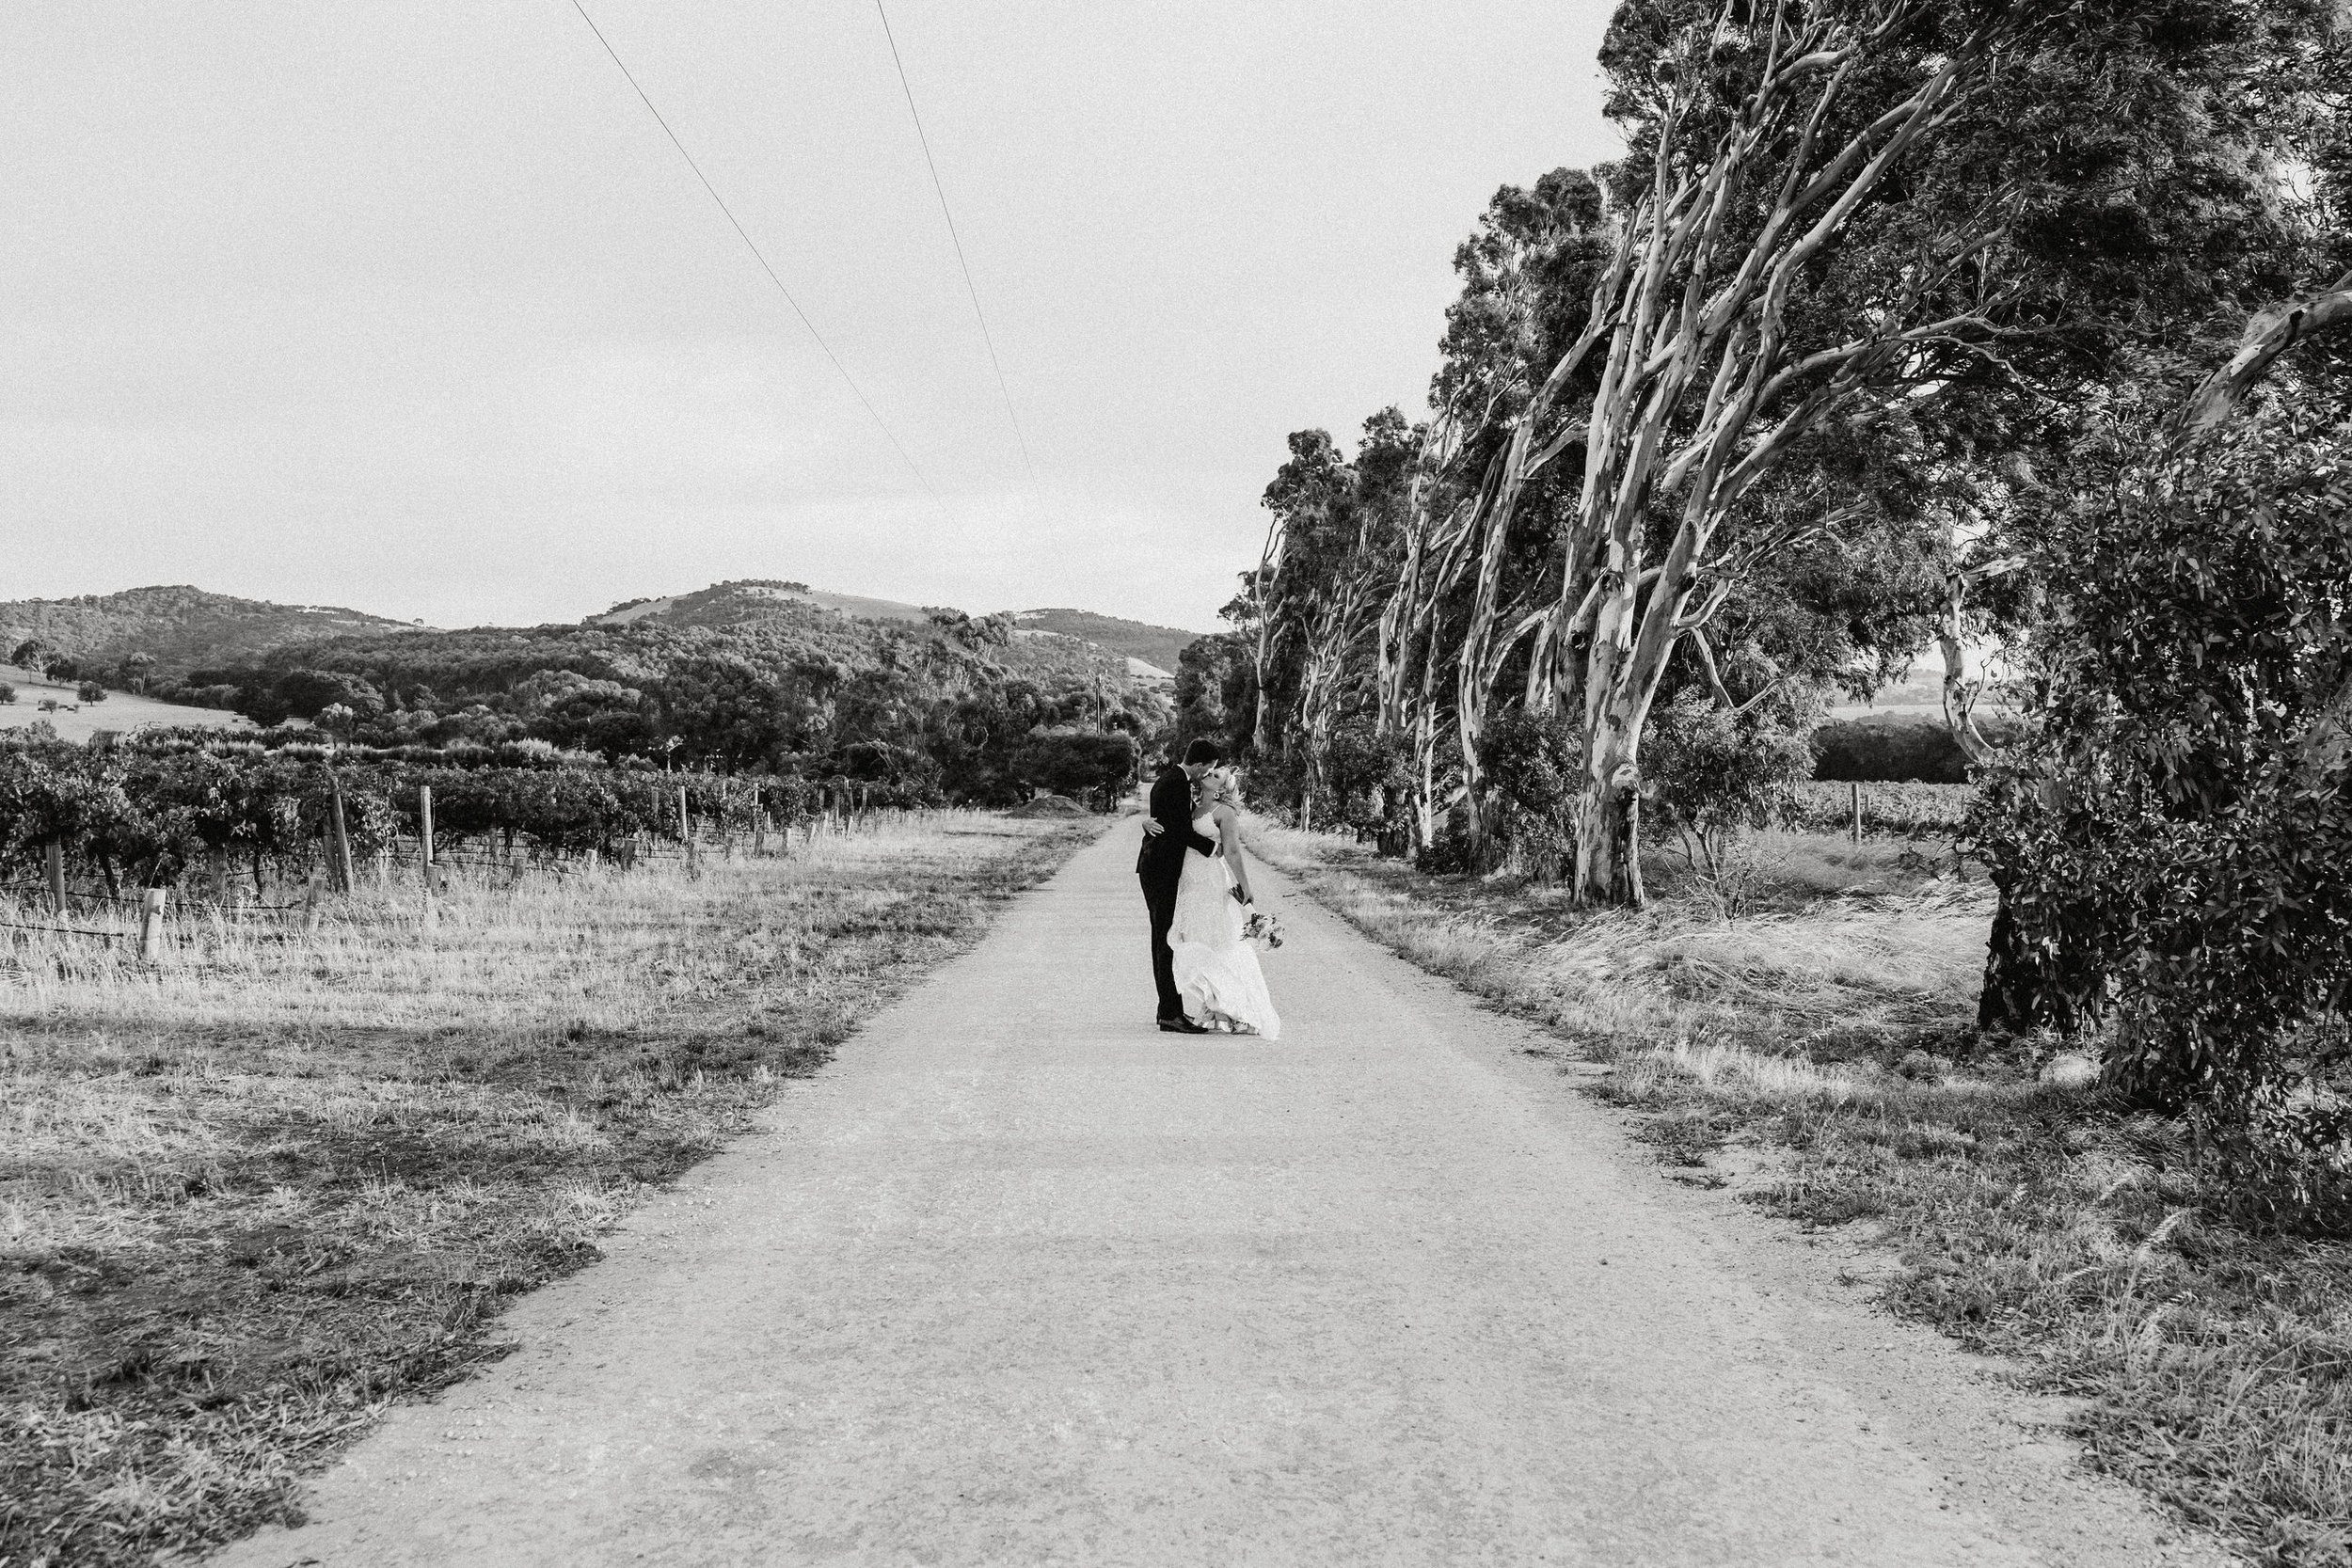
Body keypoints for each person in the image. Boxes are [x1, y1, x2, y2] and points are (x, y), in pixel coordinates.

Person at [1168, 768, 1280, 1037]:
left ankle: (1237, 1011)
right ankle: (1215, 1005)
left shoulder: (1224, 813)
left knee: (1218, 941)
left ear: (1221, 788)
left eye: (1217, 774)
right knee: (1195, 939)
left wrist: (1245, 886)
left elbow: (1231, 850)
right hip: (1188, 882)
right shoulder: (1192, 808)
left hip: (1210, 881)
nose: (1210, 773)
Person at [1137, 739, 1221, 1032]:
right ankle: (1169, 1014)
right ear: (1198, 764)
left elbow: (1167, 820)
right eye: (1208, 768)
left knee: (1167, 939)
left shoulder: (1174, 779)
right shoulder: (1177, 782)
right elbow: (1179, 829)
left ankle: (1171, 1010)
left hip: (1158, 866)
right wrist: (1212, 848)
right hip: (1159, 869)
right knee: (1164, 941)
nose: (1208, 773)